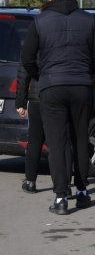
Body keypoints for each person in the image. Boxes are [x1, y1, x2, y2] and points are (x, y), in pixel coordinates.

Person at [21, 0, 95, 215]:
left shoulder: (39, 22)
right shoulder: (89, 19)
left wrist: (43, 75)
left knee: (57, 143)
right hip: (81, 85)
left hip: (51, 86)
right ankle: (82, 192)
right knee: (80, 138)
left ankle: (61, 198)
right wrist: (86, 72)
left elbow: (27, 59)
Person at [15, 64, 74, 196]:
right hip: (59, 95)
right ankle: (65, 185)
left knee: (35, 139)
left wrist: (20, 102)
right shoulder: (62, 42)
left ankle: (30, 181)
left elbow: (24, 72)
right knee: (62, 140)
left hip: (37, 96)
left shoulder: (32, 43)